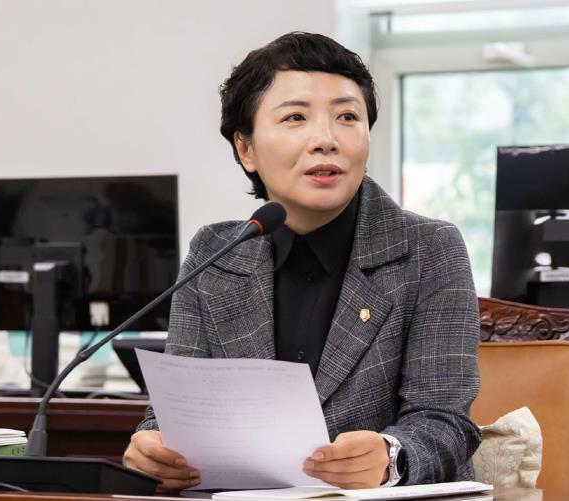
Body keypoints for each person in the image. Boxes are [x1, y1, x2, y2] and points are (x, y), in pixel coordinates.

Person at [123, 31, 481, 493]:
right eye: (295, 117)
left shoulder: (429, 249)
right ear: (245, 149)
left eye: (347, 117)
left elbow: (446, 421)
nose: (326, 140)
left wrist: (391, 457)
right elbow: (179, 408)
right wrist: (152, 443)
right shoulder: (214, 254)